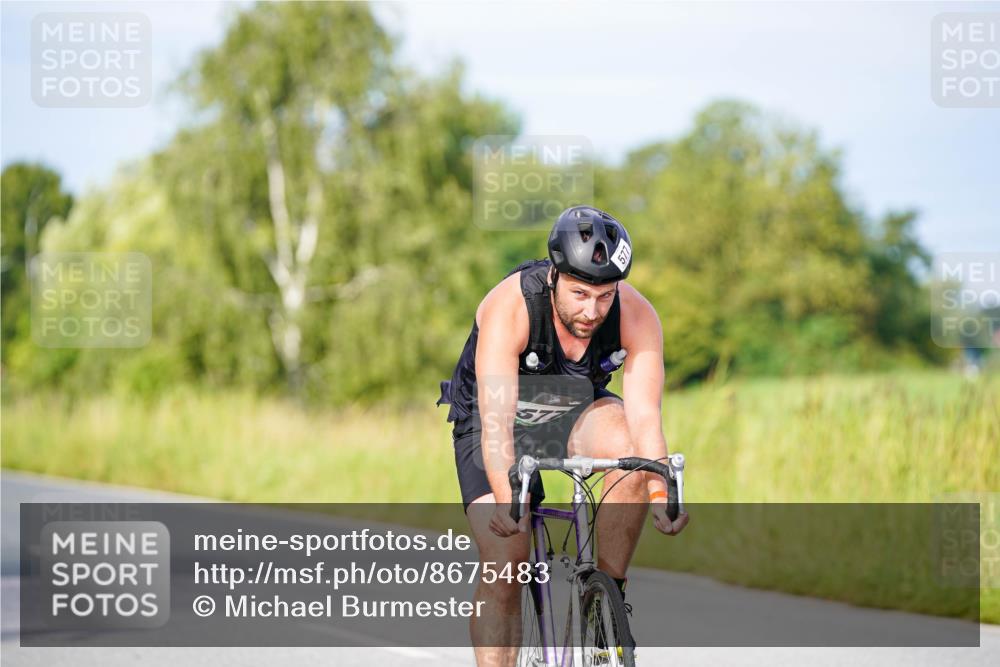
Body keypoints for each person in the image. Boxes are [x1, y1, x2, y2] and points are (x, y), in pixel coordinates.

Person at [437, 205, 689, 666]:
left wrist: (658, 492)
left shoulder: (636, 314)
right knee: (507, 559)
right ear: (553, 275)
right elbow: (495, 420)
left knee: (631, 454)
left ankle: (604, 607)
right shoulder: (510, 306)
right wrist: (506, 496)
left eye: (604, 296)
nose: (592, 311)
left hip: (575, 412)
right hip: (495, 421)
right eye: (578, 294)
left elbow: (646, 418)